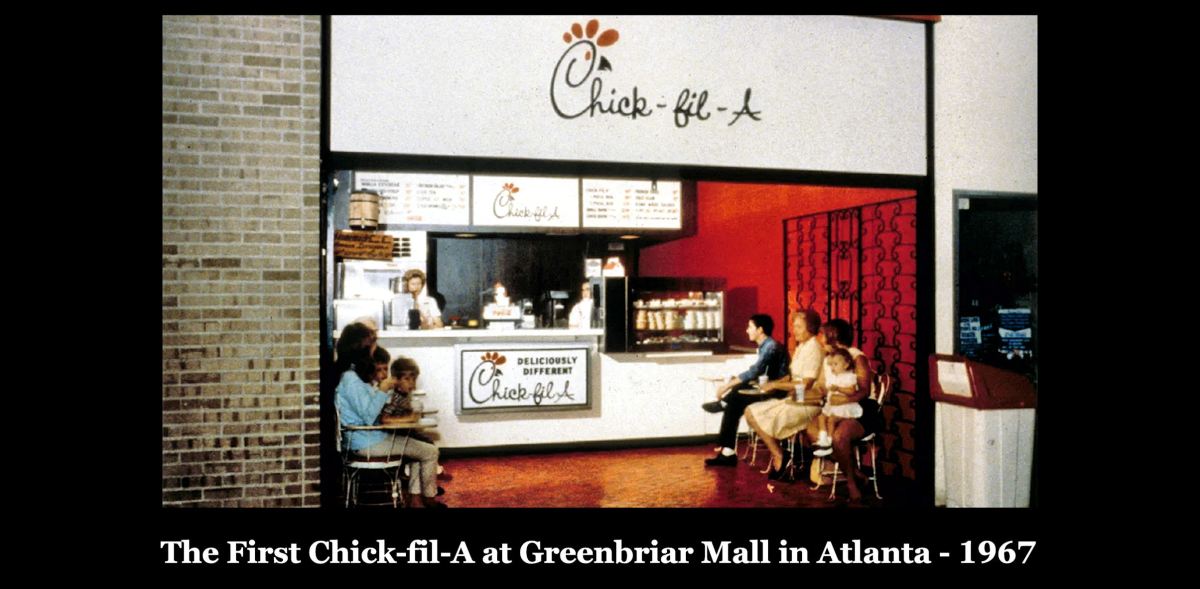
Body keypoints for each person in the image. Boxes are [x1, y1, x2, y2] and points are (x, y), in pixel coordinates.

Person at [334, 322, 446, 508]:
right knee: (430, 452)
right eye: (371, 345)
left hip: (365, 440)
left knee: (420, 449)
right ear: (361, 348)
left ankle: (416, 500)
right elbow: (369, 416)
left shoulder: (351, 376)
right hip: (367, 443)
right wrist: (383, 389)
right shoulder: (351, 379)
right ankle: (429, 499)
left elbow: (369, 411)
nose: (374, 349)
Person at [743, 309, 826, 478]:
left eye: (798, 327)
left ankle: (780, 457)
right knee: (750, 412)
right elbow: (792, 376)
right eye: (794, 326)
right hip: (795, 399)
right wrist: (774, 383)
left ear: (810, 328)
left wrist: (776, 385)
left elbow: (805, 384)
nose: (794, 330)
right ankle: (781, 454)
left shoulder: (814, 349)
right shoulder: (802, 347)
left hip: (808, 403)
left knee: (758, 414)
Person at [701, 314, 790, 467]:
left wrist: (727, 386)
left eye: (750, 327)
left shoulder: (771, 347)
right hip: (766, 388)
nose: (747, 330)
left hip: (775, 392)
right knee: (735, 399)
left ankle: (727, 451)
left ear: (760, 330)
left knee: (735, 397)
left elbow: (755, 371)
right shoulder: (766, 346)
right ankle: (727, 451)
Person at [807, 318, 877, 503]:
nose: (820, 339)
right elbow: (822, 387)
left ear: (833, 336)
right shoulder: (828, 359)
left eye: (823, 335)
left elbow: (864, 391)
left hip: (860, 408)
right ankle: (854, 472)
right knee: (812, 430)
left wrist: (844, 400)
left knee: (839, 437)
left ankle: (852, 484)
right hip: (835, 406)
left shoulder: (856, 357)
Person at [812, 347, 861, 457]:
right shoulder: (834, 377)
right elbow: (827, 389)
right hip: (833, 405)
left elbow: (852, 391)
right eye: (831, 365)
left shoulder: (850, 376)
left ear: (846, 365)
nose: (832, 367)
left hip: (845, 406)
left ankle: (829, 442)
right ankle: (823, 439)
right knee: (821, 417)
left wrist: (838, 389)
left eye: (836, 364)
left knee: (831, 420)